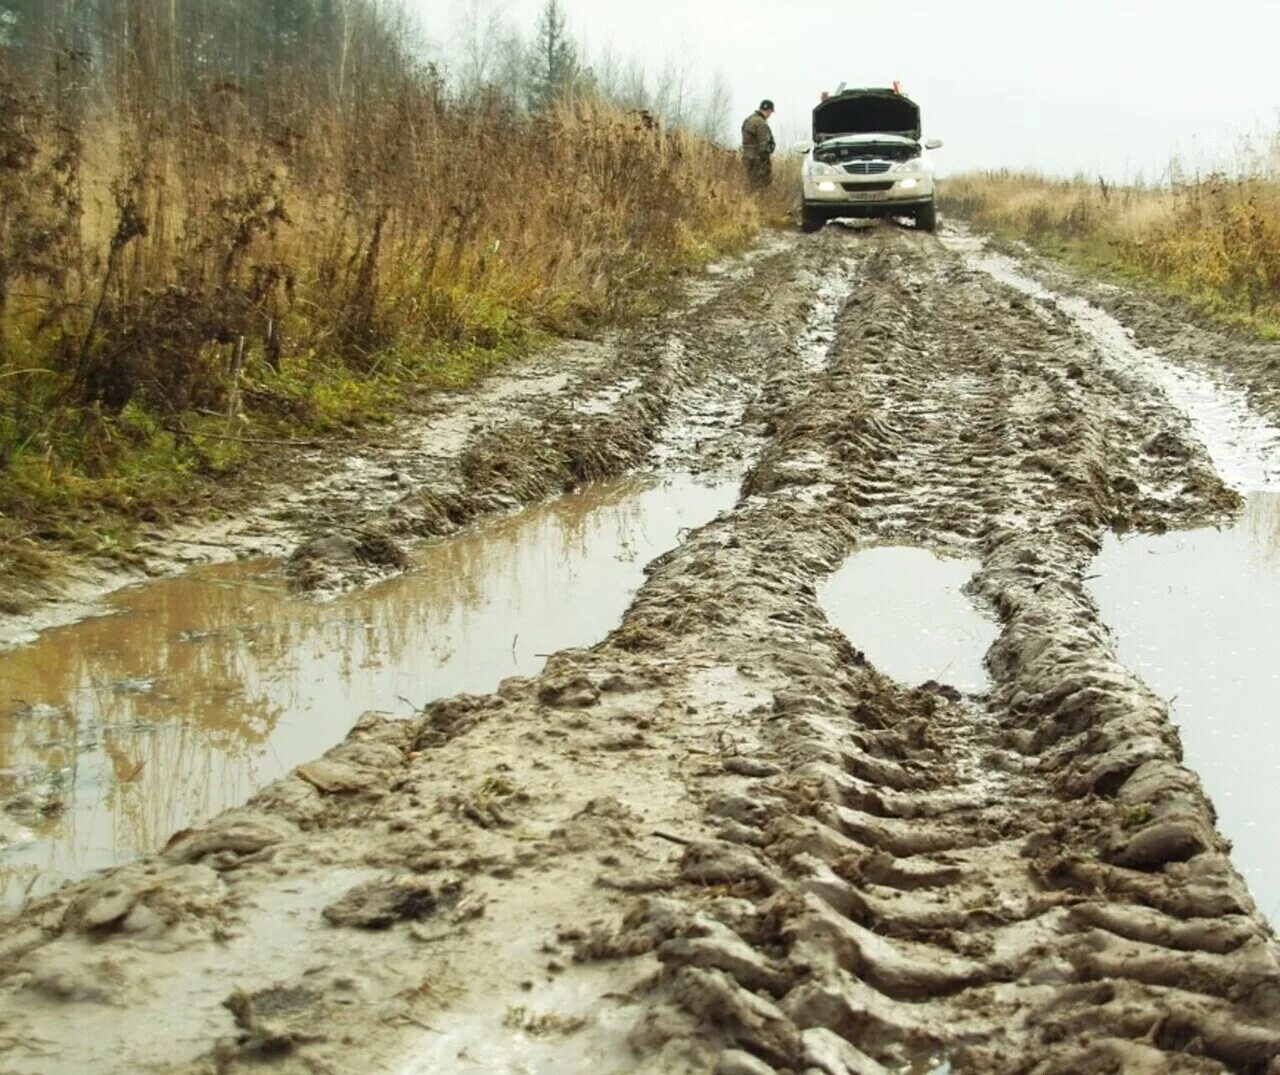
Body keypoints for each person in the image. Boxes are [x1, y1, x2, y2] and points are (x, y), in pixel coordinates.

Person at [741, 99, 776, 190]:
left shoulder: (748, 120)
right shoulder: (761, 123)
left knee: (749, 184)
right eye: (771, 112)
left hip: (746, 157)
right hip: (758, 160)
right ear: (769, 110)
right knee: (760, 187)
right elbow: (764, 146)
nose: (770, 115)